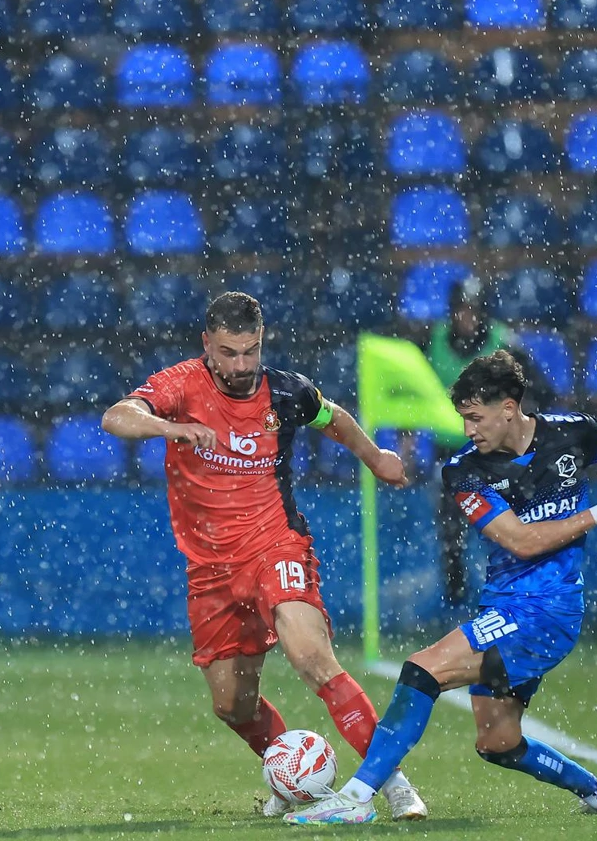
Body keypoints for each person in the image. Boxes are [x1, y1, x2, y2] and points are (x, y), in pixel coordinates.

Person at [285, 350, 597, 825]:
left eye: (475, 417)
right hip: (505, 607)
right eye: (463, 418)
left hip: (548, 609)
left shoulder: (573, 432)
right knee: (499, 743)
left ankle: (358, 797)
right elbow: (521, 542)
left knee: (423, 670)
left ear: (509, 407)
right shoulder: (464, 471)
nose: (468, 430)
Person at [100, 291, 428, 821]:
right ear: (207, 344)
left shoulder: (286, 392)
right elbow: (117, 417)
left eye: (250, 351)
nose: (241, 365)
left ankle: (389, 784)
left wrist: (374, 456)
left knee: (312, 658)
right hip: (210, 569)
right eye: (229, 353)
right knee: (232, 705)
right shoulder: (180, 386)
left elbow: (333, 416)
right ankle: (295, 780)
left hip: (275, 543)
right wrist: (172, 427)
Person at [425, 279, 555, 605]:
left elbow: (540, 388)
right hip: (451, 454)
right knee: (451, 534)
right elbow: (413, 389)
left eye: (472, 310)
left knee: (503, 529)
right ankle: (456, 601)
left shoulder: (503, 344)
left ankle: (510, 597)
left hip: (494, 453)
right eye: (460, 310)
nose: (466, 318)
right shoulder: (434, 341)